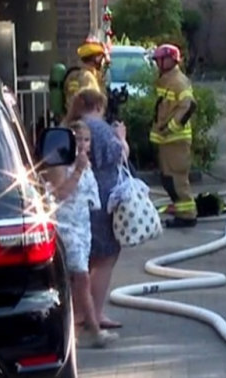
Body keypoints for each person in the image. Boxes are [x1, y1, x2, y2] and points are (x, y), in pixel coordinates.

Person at [63, 88, 130, 329]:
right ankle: (95, 312)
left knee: (84, 259)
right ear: (99, 105)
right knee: (105, 257)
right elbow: (119, 156)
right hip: (101, 200)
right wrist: (121, 137)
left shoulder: (69, 125)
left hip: (77, 202)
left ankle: (79, 311)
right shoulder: (100, 129)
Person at [49, 120, 118, 348]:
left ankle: (72, 330)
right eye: (77, 139)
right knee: (82, 277)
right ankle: (94, 330)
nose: (81, 144)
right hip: (65, 225)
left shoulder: (87, 164)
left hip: (83, 226)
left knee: (73, 278)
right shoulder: (61, 162)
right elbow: (60, 193)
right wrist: (77, 170)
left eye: (86, 140)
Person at [149, 44, 198, 228]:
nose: (158, 64)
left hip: (176, 140)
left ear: (171, 60)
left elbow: (188, 105)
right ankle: (182, 211)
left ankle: (187, 215)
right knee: (169, 180)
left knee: (177, 179)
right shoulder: (167, 80)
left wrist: (171, 128)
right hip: (167, 141)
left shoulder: (178, 81)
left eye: (160, 60)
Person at [64, 35, 110, 112]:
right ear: (97, 58)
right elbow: (95, 103)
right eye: (102, 57)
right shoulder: (88, 78)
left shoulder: (74, 74)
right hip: (87, 121)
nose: (104, 61)